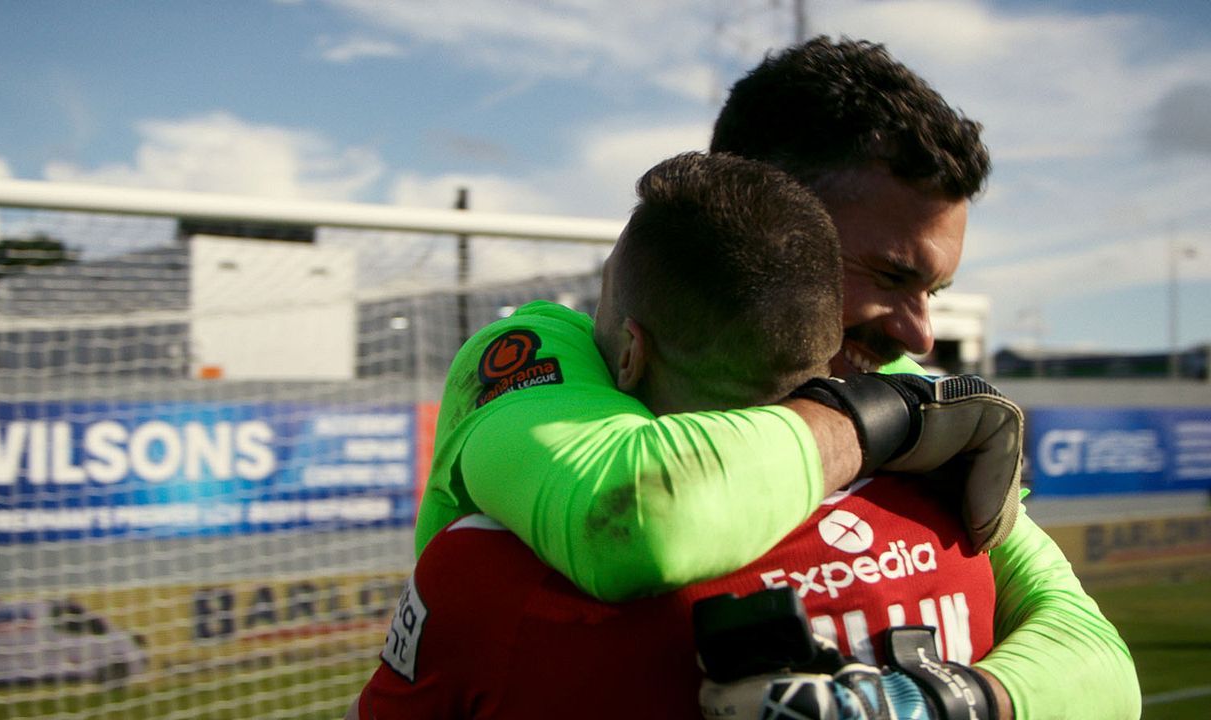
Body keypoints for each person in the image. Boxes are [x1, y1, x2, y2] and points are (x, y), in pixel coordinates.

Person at [411, 36, 1139, 719]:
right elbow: (630, 519)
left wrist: (918, 703)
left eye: (934, 294)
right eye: (891, 274)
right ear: (770, 219)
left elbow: (1097, 659)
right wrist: (877, 418)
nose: (918, 335)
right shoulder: (538, 350)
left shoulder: (903, 384)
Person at [353, 151, 1000, 719]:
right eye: (892, 279)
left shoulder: (488, 577)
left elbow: (633, 518)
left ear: (630, 351)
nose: (919, 335)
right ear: (826, 340)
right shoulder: (949, 529)